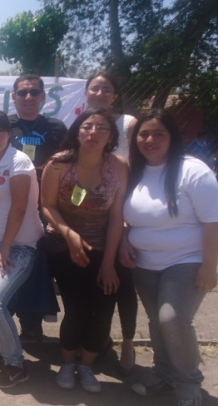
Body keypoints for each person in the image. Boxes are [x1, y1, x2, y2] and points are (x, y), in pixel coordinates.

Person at [122, 110, 218, 406]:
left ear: (172, 138)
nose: (150, 140)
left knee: (173, 318)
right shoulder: (135, 171)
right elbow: (130, 215)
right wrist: (126, 238)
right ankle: (164, 374)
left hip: (187, 261)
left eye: (158, 134)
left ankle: (189, 386)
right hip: (145, 263)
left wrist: (209, 266)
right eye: (143, 134)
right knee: (156, 320)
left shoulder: (194, 171)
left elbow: (213, 222)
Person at [41, 108, 128, 393]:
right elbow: (48, 206)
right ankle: (67, 364)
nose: (93, 133)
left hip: (105, 248)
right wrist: (69, 235)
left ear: (111, 136)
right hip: (64, 247)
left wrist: (108, 263)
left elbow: (117, 217)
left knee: (103, 310)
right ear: (77, 132)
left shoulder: (118, 167)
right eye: (87, 127)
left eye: (101, 128)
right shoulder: (58, 165)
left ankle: (87, 366)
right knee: (77, 309)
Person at [0, 110, 43, 389]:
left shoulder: (18, 161)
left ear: (9, 134)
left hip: (19, 246)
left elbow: (19, 208)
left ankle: (15, 364)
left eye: (0, 131)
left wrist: (6, 249)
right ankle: (7, 350)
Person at [85, 71, 138, 374]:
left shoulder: (128, 124)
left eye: (107, 89)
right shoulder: (84, 122)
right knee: (98, 285)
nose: (100, 93)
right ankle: (99, 340)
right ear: (87, 93)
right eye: (95, 88)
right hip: (93, 219)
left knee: (124, 284)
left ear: (115, 95)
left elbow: (137, 169)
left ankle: (128, 342)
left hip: (125, 215)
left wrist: (130, 221)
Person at [8, 74, 68, 340]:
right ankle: (7, 325)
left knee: (38, 266)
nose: (28, 98)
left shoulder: (56, 127)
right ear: (14, 97)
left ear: (44, 97)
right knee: (8, 263)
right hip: (10, 207)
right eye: (23, 93)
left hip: (46, 208)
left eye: (34, 92)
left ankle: (33, 325)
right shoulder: (5, 125)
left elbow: (69, 165)